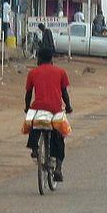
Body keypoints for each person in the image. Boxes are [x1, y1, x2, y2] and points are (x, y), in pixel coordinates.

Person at [24, 47, 73, 181]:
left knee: (33, 124)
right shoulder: (61, 72)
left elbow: (28, 94)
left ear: (38, 59)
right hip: (55, 110)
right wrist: (68, 107)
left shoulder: (33, 73)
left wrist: (27, 107)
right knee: (59, 137)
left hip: (38, 108)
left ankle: (34, 148)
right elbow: (64, 93)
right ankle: (58, 168)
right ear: (52, 59)